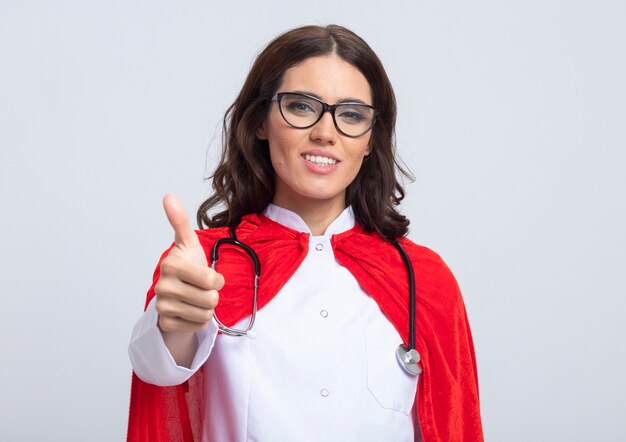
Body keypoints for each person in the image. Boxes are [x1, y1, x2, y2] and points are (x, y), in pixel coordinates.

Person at [127, 24, 483, 442]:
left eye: (351, 115)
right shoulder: (206, 264)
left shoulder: (422, 277)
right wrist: (172, 323)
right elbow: (157, 368)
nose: (325, 133)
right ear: (261, 120)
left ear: (370, 140)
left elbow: (453, 423)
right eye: (301, 106)